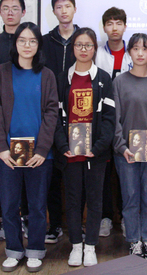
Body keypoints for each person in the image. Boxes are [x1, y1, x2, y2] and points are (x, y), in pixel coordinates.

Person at [0, 22, 59, 273]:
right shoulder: (0, 73)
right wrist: (1, 147)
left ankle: (36, 250)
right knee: (9, 205)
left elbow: (51, 113)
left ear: (39, 45)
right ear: (15, 43)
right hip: (6, 152)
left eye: (32, 41)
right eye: (22, 40)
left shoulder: (47, 75)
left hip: (39, 153)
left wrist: (42, 149)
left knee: (38, 206)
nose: (27, 45)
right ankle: (14, 250)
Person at [53, 28, 115, 268]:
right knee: (73, 199)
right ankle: (76, 245)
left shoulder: (104, 78)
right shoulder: (62, 79)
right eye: (79, 45)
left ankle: (90, 246)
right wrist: (62, 144)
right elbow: (55, 116)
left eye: (88, 45)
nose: (83, 49)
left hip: (95, 153)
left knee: (95, 200)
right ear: (73, 48)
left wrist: (98, 147)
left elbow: (109, 118)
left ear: (94, 49)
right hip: (69, 152)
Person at [112, 33, 147, 262]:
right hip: (126, 152)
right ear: (129, 52)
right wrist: (121, 146)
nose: (140, 53)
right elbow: (114, 119)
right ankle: (134, 240)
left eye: (145, 49)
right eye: (135, 48)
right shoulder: (119, 81)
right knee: (130, 198)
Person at [0, 0, 27, 241]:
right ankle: (4, 219)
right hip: (0, 118)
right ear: (0, 12)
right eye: (5, 8)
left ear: (23, 12)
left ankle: (26, 218)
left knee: (26, 171)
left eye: (15, 8)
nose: (10, 12)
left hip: (25, 117)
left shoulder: (31, 39)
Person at [43, 0, 79, 245]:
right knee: (53, 174)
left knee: (79, 171)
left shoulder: (84, 38)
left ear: (74, 9)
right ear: (54, 11)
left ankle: (81, 225)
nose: (64, 11)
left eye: (67, 6)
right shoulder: (45, 41)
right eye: (59, 7)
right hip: (51, 113)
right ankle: (55, 224)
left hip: (80, 113)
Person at [95, 7, 132, 237]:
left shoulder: (134, 52)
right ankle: (105, 217)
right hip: (102, 121)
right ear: (104, 27)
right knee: (104, 173)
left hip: (128, 121)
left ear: (125, 26)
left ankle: (127, 217)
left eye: (118, 23)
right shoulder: (97, 53)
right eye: (110, 23)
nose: (114, 28)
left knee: (126, 173)